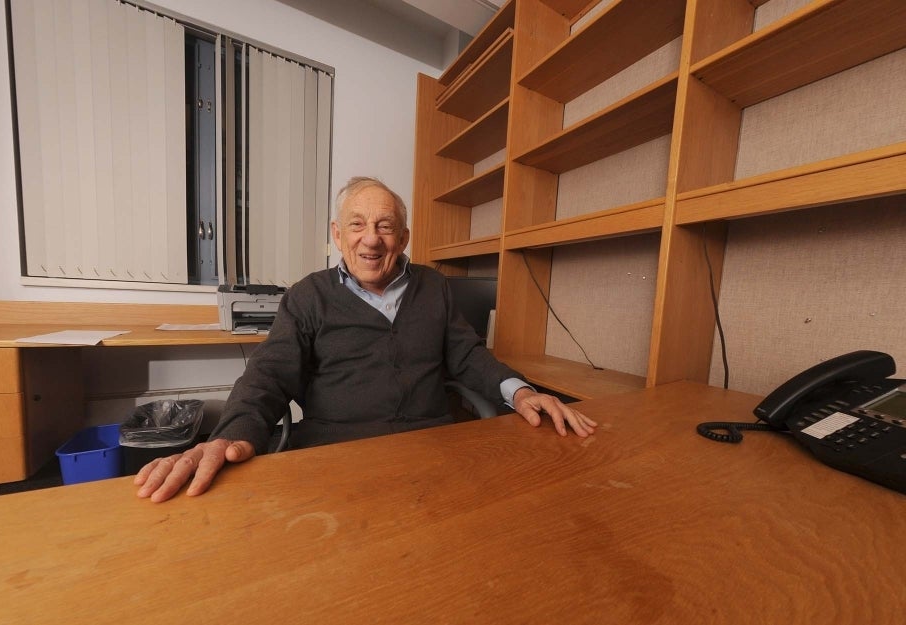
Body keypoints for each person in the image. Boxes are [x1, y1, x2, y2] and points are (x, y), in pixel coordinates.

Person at [135, 177, 598, 502]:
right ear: (338, 235)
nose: (370, 240)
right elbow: (268, 376)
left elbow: (468, 355)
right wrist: (227, 437)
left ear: (404, 237)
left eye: (385, 226)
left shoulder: (434, 286)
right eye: (357, 225)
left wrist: (520, 392)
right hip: (338, 459)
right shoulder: (307, 296)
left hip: (431, 451)